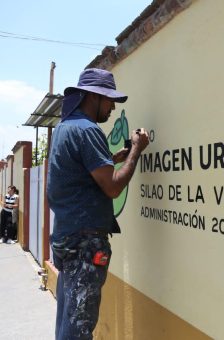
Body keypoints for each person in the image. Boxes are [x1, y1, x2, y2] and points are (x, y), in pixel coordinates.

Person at [47, 68, 149, 340]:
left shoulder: (65, 128)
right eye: (109, 99)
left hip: (66, 238)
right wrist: (137, 150)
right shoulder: (88, 130)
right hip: (84, 244)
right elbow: (113, 188)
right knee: (79, 328)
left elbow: (79, 173)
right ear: (93, 96)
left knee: (68, 318)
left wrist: (112, 160)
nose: (113, 107)